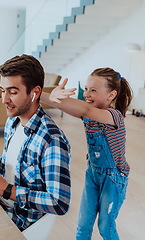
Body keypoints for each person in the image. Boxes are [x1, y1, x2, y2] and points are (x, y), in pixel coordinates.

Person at [0, 54, 72, 231]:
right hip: (0, 205)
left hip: (21, 223)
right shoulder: (13, 123)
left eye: (13, 92)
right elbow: (16, 161)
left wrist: (6, 190)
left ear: (35, 93)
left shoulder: (51, 140)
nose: (4, 99)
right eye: (2, 90)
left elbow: (60, 203)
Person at [40, 67, 132, 240]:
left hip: (113, 179)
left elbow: (85, 110)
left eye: (94, 90)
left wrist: (42, 95)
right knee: (83, 225)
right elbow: (74, 107)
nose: (87, 94)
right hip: (93, 174)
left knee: (105, 227)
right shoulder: (88, 114)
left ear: (111, 95)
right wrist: (49, 97)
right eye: (86, 88)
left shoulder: (114, 116)